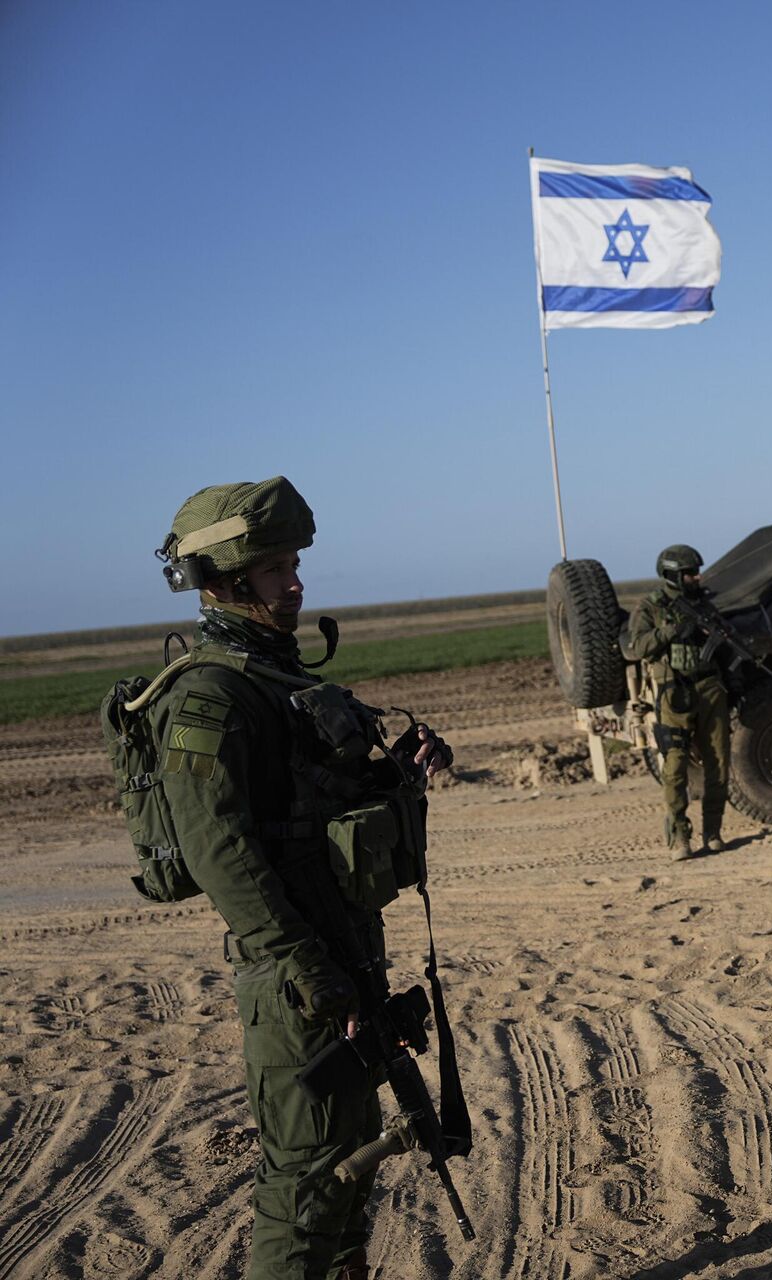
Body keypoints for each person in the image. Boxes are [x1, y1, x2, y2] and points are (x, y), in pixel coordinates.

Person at [141, 477, 452, 1279]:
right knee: (309, 1180)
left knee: (349, 1158)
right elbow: (221, 855)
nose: (296, 582)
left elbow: (318, 811)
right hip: (297, 974)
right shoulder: (210, 695)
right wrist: (307, 967)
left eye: (294, 563)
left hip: (343, 952)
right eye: (277, 569)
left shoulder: (278, 680)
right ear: (227, 582)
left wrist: (400, 778)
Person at [622, 545, 731, 860]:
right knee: (675, 767)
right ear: (672, 575)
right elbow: (638, 645)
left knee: (719, 764)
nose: (696, 577)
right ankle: (680, 838)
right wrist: (672, 631)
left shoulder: (705, 604)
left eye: (696, 572)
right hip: (673, 692)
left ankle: (713, 832)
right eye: (689, 573)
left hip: (710, 688)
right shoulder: (651, 607)